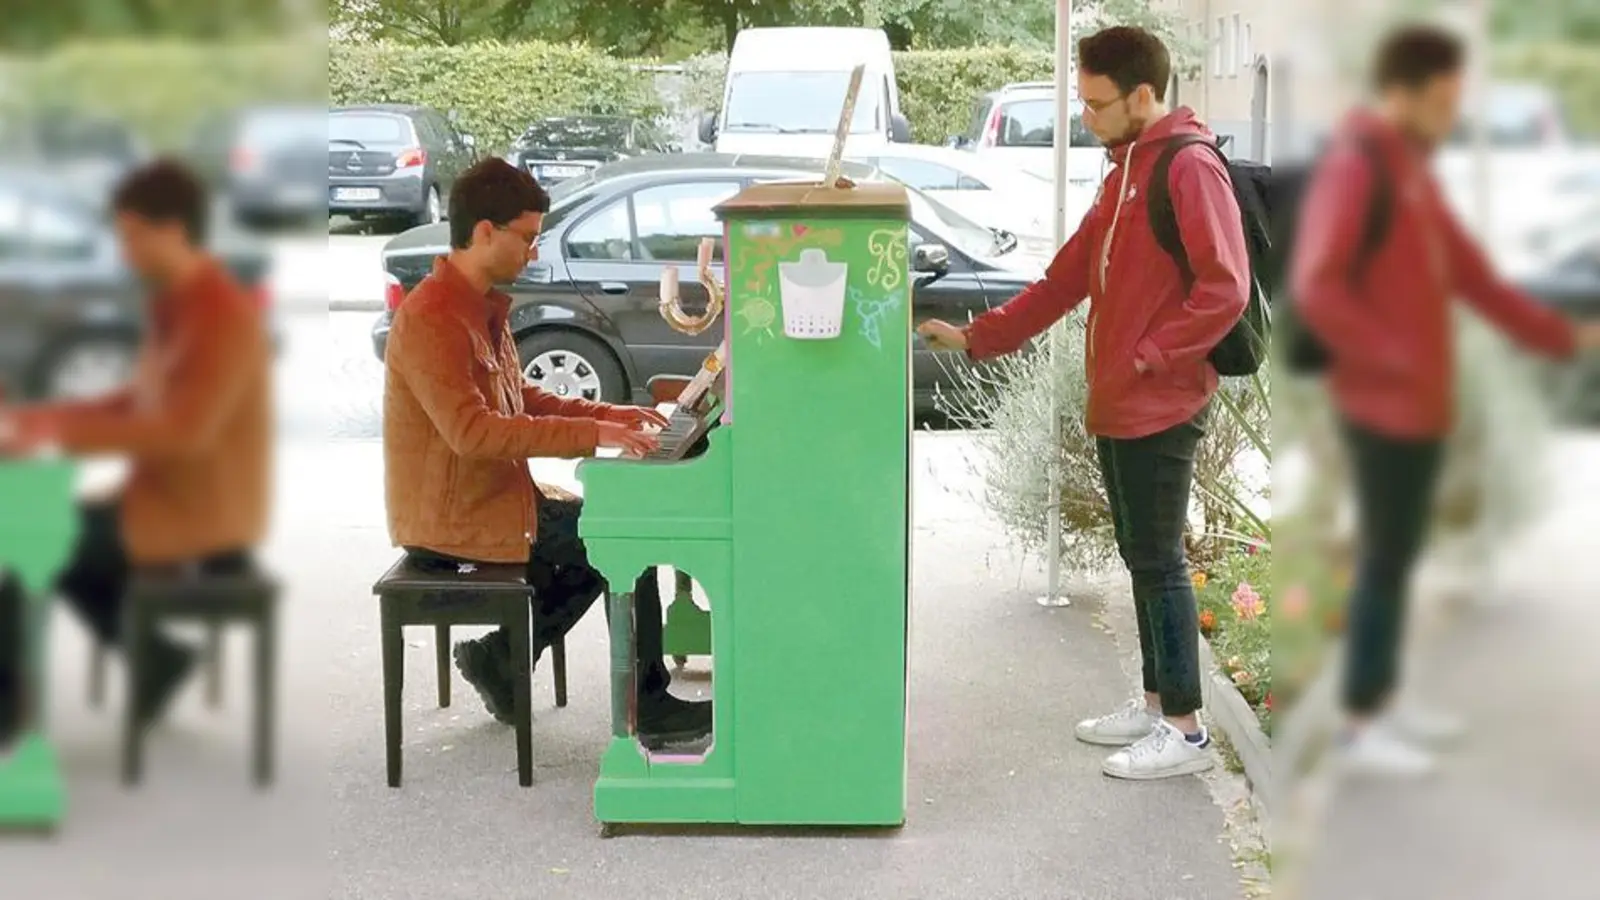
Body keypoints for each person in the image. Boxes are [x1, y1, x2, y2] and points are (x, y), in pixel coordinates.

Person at [918, 26, 1249, 781]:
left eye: (1097, 104)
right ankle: (1158, 703)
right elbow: (1066, 278)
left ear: (1143, 95)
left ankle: (1186, 733)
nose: (1086, 118)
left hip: (1160, 400)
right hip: (1122, 398)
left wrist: (1150, 356)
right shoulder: (1125, 170)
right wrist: (978, 338)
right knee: (1142, 557)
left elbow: (1224, 287)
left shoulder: (1188, 167)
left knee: (1160, 561)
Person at [1290, 24, 1600, 778]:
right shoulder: (1359, 166)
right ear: (1403, 92)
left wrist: (1567, 337)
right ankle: (1360, 726)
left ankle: (1381, 700)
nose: (1452, 113)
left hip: (1419, 408)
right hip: (1383, 408)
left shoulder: (1409, 169)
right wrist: (1396, 359)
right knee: (1384, 559)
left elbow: (1476, 280)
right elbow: (1319, 288)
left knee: (1396, 560)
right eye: (1443, 99)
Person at [381, 157, 711, 747]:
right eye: (528, 237)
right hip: (454, 521)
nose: (534, 252)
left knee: (601, 533)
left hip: (497, 501)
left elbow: (522, 398)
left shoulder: (478, 305)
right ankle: (648, 705)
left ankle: (500, 659)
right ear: (486, 231)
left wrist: (609, 415)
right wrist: (595, 436)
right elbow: (474, 433)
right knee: (622, 536)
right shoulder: (432, 318)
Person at [0, 159, 273, 729]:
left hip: (203, 515)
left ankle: (8, 709)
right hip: (164, 499)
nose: (123, 253)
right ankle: (156, 660)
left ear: (172, 230)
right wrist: (32, 421)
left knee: (24, 535)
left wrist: (45, 433)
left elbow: (182, 431)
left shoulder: (220, 314)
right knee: (43, 523)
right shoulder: (178, 305)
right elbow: (133, 403)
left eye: (131, 237)